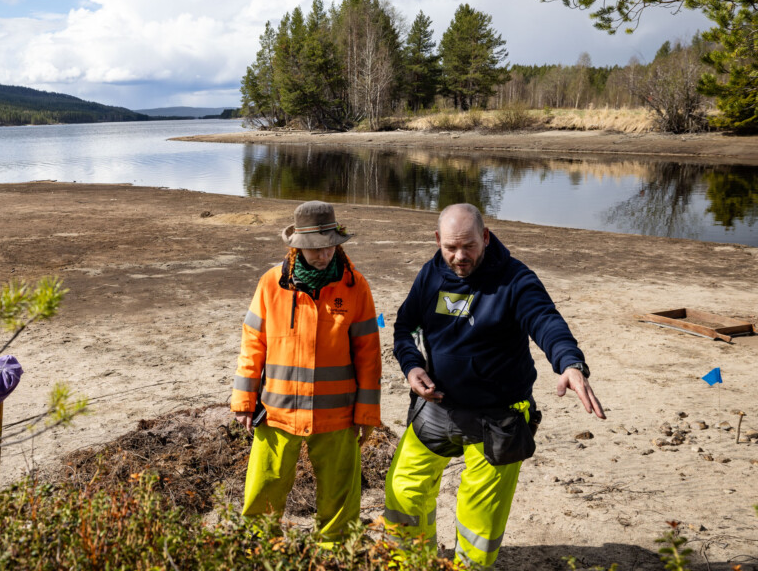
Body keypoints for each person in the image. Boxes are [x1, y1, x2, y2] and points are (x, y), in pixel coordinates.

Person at [384, 203, 605, 569]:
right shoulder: (431, 274)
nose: (459, 257)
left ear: (485, 237)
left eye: (468, 246)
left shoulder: (515, 280)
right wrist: (411, 366)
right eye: (450, 247)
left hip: (497, 416)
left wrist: (569, 363)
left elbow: (546, 320)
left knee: (479, 516)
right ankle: (410, 563)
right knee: (404, 488)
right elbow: (404, 327)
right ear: (438, 241)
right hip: (436, 407)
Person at [232, 200, 382, 545]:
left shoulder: (356, 287)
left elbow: (369, 356)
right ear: (295, 246)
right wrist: (243, 400)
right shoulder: (272, 284)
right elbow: (253, 343)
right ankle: (259, 550)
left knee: (340, 495)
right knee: (263, 488)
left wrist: (366, 413)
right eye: (314, 248)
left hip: (338, 415)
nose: (323, 255)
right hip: (276, 411)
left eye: (329, 246)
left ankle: (335, 554)